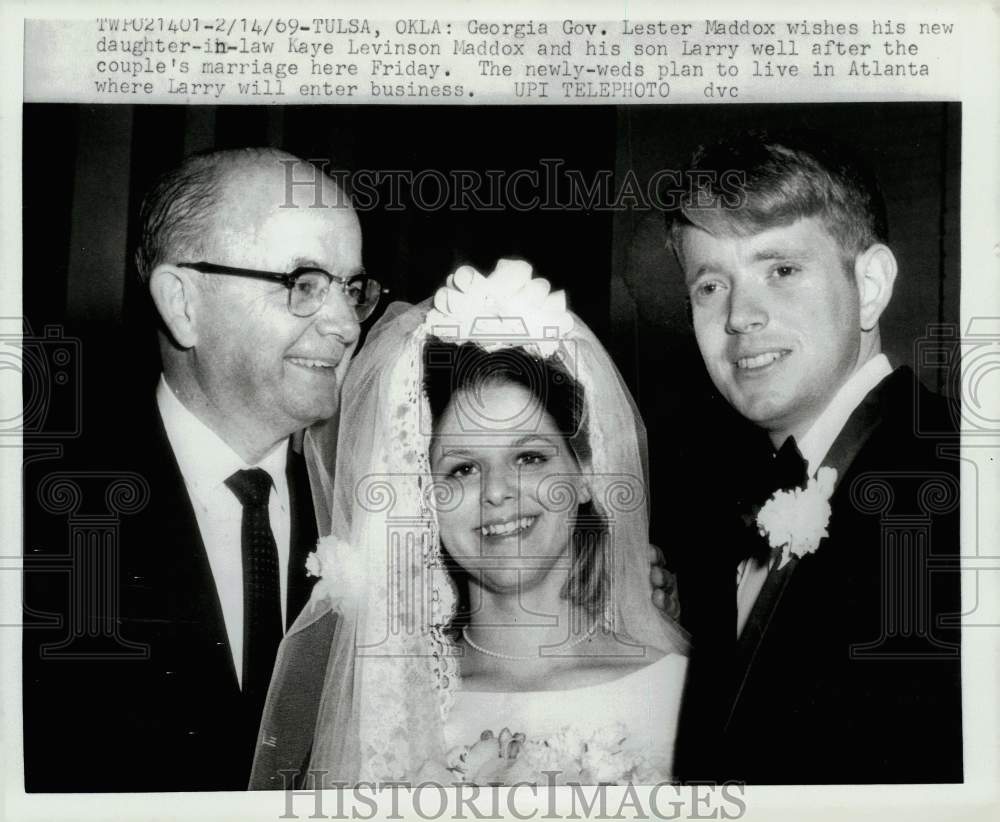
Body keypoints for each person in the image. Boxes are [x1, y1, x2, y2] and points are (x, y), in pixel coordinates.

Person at [249, 260, 688, 787]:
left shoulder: (683, 690)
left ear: (587, 474)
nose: (498, 492)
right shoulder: (384, 710)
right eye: (462, 469)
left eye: (529, 457)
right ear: (423, 496)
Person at [22, 147, 382, 791]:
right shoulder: (39, 519)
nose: (346, 323)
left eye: (352, 288)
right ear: (182, 302)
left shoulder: (371, 514)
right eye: (304, 284)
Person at [665, 130, 962, 783]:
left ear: (872, 284)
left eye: (782, 270)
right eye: (711, 284)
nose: (741, 316)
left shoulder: (953, 497)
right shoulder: (726, 503)